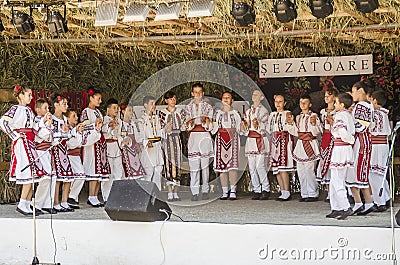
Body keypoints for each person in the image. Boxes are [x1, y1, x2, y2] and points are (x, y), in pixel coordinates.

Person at [0, 85, 47, 215]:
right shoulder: (15, 109)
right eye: (29, 95)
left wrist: (45, 124)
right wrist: (15, 136)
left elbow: (35, 128)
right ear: (20, 95)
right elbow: (3, 122)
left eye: (31, 95)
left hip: (30, 143)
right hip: (22, 144)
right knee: (29, 173)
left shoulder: (29, 111)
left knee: (33, 175)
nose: (31, 97)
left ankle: (26, 204)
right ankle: (22, 204)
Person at [346, 81, 377, 215]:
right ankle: (359, 202)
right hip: (361, 141)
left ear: (361, 90)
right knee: (355, 172)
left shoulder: (362, 106)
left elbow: (362, 126)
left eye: (353, 91)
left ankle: (367, 202)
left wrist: (348, 126)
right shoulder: (365, 105)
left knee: (359, 172)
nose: (352, 94)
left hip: (361, 142)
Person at [285, 94, 321, 202]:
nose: (303, 104)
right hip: (300, 144)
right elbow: (296, 132)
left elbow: (317, 131)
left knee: (309, 170)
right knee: (301, 171)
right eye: (301, 102)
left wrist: (314, 124)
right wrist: (291, 124)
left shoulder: (314, 115)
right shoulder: (298, 117)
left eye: (305, 102)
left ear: (310, 104)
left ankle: (313, 193)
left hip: (310, 143)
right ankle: (304, 193)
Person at [326, 93, 355, 220]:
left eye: (336, 103)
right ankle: (336, 207)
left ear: (342, 105)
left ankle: (345, 206)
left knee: (337, 179)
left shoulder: (340, 115)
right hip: (343, 148)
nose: (335, 104)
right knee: (334, 180)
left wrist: (350, 140)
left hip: (341, 148)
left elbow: (343, 132)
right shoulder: (347, 115)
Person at [183, 83, 213, 201]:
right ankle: (194, 192)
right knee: (194, 166)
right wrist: (190, 124)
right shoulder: (187, 108)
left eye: (200, 92)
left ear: (203, 93)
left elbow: (210, 125)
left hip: (204, 136)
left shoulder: (208, 107)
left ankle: (205, 190)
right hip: (193, 137)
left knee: (204, 166)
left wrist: (206, 122)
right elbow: (185, 125)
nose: (198, 94)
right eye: (195, 92)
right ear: (192, 94)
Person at [66, 109, 101, 209]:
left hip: (76, 156)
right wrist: (76, 132)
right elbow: (70, 144)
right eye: (73, 116)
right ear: (67, 118)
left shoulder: (78, 129)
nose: (76, 118)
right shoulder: (66, 128)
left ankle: (72, 197)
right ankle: (70, 198)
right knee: (75, 177)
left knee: (80, 176)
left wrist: (96, 130)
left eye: (76, 116)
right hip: (68, 155)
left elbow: (86, 141)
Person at [81, 87, 110, 207]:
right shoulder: (85, 112)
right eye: (98, 99)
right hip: (92, 144)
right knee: (93, 169)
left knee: (99, 172)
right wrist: (95, 125)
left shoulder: (98, 112)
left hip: (100, 143)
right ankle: (91, 196)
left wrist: (107, 125)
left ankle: (95, 195)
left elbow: (102, 126)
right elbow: (84, 127)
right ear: (91, 98)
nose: (100, 101)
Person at [211, 92, 242, 200]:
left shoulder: (236, 113)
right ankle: (225, 191)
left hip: (233, 139)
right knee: (222, 168)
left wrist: (244, 127)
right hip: (220, 139)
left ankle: (233, 190)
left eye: (228, 98)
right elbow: (213, 129)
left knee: (232, 167)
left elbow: (240, 129)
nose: (226, 99)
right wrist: (207, 124)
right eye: (224, 97)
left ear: (232, 100)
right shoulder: (217, 114)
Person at [242, 90, 270, 200]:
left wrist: (259, 124)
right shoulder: (249, 111)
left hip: (260, 139)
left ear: (262, 97)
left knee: (260, 166)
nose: (253, 96)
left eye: (256, 95)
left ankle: (266, 189)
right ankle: (257, 189)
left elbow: (267, 127)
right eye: (253, 94)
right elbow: (245, 128)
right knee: (252, 167)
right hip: (251, 140)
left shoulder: (264, 111)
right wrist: (244, 126)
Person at [50, 93, 75, 212]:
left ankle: (64, 201)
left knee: (68, 177)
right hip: (55, 150)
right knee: (58, 178)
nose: (66, 106)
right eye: (64, 104)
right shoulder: (51, 118)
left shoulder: (65, 119)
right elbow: (51, 135)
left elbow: (68, 134)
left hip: (64, 150)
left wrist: (70, 132)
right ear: (56, 105)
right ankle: (55, 202)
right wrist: (62, 132)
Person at [268, 94, 295, 201]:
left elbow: (291, 128)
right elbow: (269, 129)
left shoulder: (287, 113)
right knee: (277, 169)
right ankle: (282, 191)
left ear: (284, 103)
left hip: (284, 141)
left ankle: (287, 191)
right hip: (274, 142)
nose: (278, 104)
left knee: (283, 168)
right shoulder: (272, 115)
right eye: (276, 102)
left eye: (280, 102)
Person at [159, 91, 184, 202]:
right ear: (166, 101)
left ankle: (176, 192)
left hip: (177, 138)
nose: (173, 100)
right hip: (167, 139)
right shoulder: (162, 113)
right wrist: (165, 129)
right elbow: (160, 128)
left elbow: (183, 126)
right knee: (168, 164)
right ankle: (170, 192)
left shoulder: (180, 111)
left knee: (177, 163)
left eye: (174, 98)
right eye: (170, 99)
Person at [368, 90, 391, 212]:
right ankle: (385, 197)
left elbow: (372, 127)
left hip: (377, 144)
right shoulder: (384, 114)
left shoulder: (376, 114)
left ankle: (379, 201)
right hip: (382, 145)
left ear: (375, 101)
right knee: (379, 173)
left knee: (374, 173)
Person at [32, 98, 56, 214]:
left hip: (48, 151)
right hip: (40, 152)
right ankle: (36, 204)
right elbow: (42, 135)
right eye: (45, 108)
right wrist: (48, 125)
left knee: (52, 177)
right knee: (45, 178)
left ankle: (47, 203)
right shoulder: (35, 121)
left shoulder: (46, 122)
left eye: (48, 108)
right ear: (38, 109)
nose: (48, 111)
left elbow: (52, 137)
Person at [136, 96, 164, 190]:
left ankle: (157, 198)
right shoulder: (141, 120)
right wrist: (146, 142)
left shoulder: (157, 119)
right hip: (148, 149)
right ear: (145, 105)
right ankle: (146, 197)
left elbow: (160, 133)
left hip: (157, 148)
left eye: (154, 104)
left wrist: (166, 130)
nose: (154, 106)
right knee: (148, 173)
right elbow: (139, 137)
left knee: (158, 172)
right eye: (151, 103)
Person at [317, 88, 339, 202]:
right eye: (325, 96)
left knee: (333, 163)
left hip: (334, 138)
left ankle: (335, 192)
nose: (326, 98)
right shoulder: (322, 112)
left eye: (329, 96)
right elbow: (320, 127)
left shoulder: (338, 111)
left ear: (335, 97)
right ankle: (328, 191)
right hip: (325, 138)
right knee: (324, 163)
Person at [101, 98, 124, 203]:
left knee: (119, 174)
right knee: (108, 175)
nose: (116, 110)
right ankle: (106, 197)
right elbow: (101, 130)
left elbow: (120, 135)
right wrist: (109, 126)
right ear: (108, 109)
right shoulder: (104, 120)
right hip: (107, 148)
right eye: (114, 108)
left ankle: (118, 196)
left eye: (117, 108)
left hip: (117, 148)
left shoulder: (119, 121)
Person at [120, 104, 146, 179]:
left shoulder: (133, 124)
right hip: (126, 150)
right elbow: (119, 138)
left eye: (132, 111)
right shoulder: (121, 124)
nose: (131, 113)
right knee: (127, 172)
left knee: (137, 171)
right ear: (123, 111)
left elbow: (138, 136)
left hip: (134, 150)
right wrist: (124, 141)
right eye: (129, 111)